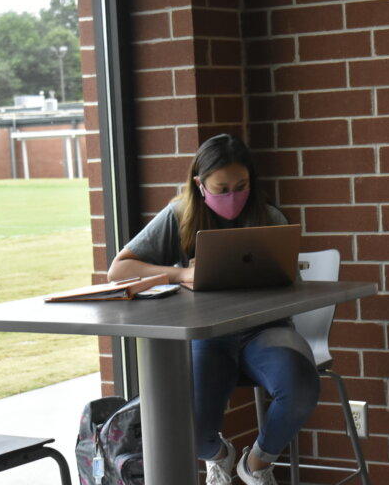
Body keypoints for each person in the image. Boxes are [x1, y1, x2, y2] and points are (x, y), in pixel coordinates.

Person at [107, 134, 319, 485]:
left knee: (301, 388)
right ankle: (219, 456)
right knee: (186, 428)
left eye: (241, 186)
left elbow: (292, 287)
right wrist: (180, 273)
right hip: (206, 334)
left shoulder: (269, 216)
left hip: (266, 329)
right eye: (221, 189)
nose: (232, 196)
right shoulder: (178, 215)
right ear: (199, 185)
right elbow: (120, 270)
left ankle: (256, 464)